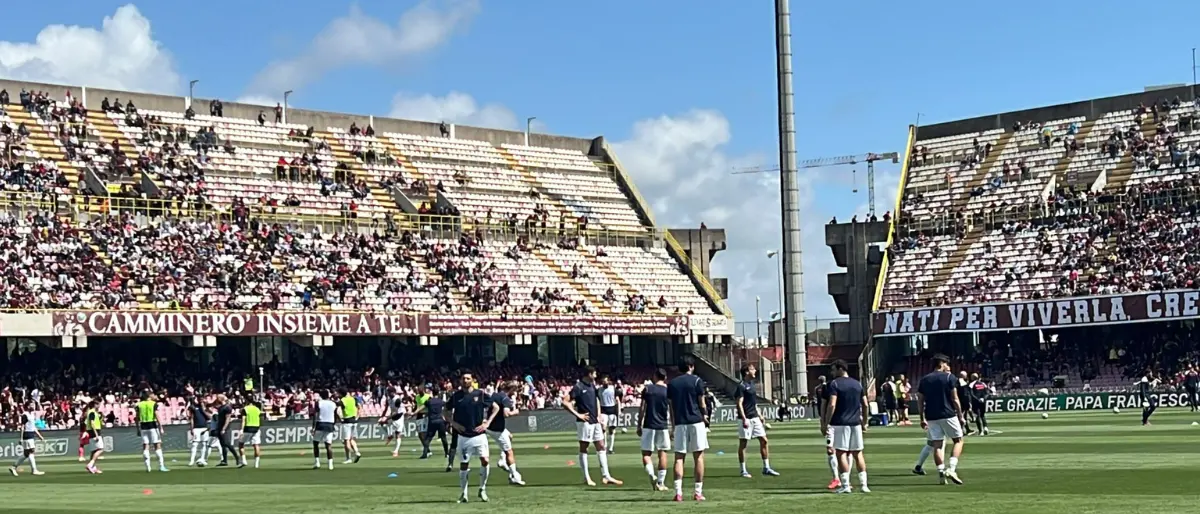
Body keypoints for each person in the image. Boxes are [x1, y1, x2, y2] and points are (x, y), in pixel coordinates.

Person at [563, 366, 623, 486]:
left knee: (601, 446)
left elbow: (596, 400)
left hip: (595, 421)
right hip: (585, 422)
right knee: (584, 447)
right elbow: (565, 401)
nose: (596, 376)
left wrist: (599, 415)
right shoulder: (578, 387)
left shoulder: (592, 386)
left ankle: (606, 476)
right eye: (594, 374)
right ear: (589, 374)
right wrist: (578, 415)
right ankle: (586, 477)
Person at [448, 372, 500, 503]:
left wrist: (487, 423)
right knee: (464, 464)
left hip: (479, 434)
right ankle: (464, 494)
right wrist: (453, 423)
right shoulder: (456, 396)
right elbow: (445, 411)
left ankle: (482, 489)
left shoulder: (480, 394)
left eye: (468, 378)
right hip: (463, 436)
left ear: (472, 380)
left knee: (485, 460)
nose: (465, 380)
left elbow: (496, 408)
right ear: (460, 381)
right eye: (463, 378)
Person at [913, 354, 965, 485]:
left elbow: (920, 399)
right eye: (947, 364)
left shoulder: (925, 379)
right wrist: (960, 415)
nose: (948, 366)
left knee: (937, 445)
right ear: (942, 364)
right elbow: (954, 398)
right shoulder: (949, 377)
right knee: (958, 440)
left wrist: (921, 417)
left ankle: (941, 471)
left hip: (931, 416)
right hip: (947, 414)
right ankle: (952, 469)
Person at [822, 359, 869, 494]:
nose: (832, 372)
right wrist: (864, 422)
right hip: (855, 423)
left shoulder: (834, 384)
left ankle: (845, 485)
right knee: (858, 453)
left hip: (840, 423)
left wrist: (826, 422)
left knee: (841, 453)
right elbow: (865, 404)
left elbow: (832, 404)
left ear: (840, 369)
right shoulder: (857, 384)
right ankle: (864, 485)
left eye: (833, 369)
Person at [667, 356, 708, 502]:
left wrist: (672, 425)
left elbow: (671, 407)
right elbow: (701, 402)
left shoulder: (672, 383)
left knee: (679, 458)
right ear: (691, 366)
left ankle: (678, 493)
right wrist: (705, 415)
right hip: (696, 421)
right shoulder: (697, 381)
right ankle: (698, 492)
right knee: (698, 457)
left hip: (680, 422)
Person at [735, 363, 779, 478]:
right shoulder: (741, 386)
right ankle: (743, 470)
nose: (755, 371)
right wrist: (744, 418)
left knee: (764, 440)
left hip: (754, 417)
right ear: (746, 372)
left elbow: (753, 403)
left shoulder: (752, 385)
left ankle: (766, 467)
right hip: (746, 418)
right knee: (743, 444)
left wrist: (760, 414)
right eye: (752, 369)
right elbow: (739, 404)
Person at [638, 368, 671, 491]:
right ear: (665, 378)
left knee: (646, 454)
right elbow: (671, 409)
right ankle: (661, 482)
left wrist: (639, 424)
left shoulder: (648, 389)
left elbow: (642, 408)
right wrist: (672, 426)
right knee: (662, 453)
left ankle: (652, 475)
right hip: (662, 425)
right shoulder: (668, 391)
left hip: (649, 424)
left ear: (655, 376)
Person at [487, 380, 525, 485]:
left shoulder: (495, 395)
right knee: (509, 451)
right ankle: (515, 476)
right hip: (497, 429)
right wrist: (515, 412)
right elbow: (506, 414)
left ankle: (502, 460)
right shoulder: (506, 399)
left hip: (490, 426)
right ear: (512, 389)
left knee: (510, 436)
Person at [815, 375, 840, 490]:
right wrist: (823, 421)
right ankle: (836, 478)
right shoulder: (823, 389)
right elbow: (822, 404)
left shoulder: (837, 386)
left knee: (845, 451)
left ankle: (845, 479)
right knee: (830, 449)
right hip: (830, 422)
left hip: (842, 422)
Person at [414, 387, 450, 463]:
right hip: (440, 421)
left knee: (428, 438)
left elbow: (421, 407)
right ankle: (447, 453)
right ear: (439, 393)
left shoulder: (429, 401)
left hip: (432, 421)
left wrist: (414, 413)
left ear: (432, 393)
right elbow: (447, 407)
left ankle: (425, 453)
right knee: (443, 438)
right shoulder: (441, 401)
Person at [135, 391, 169, 472]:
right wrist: (161, 427)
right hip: (152, 426)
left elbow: (136, 418)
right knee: (157, 445)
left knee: (145, 446)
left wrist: (137, 429)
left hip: (143, 427)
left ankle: (148, 467)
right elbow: (157, 415)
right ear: (149, 396)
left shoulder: (139, 405)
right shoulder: (153, 404)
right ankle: (161, 466)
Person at [10, 404, 45, 476]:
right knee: (31, 451)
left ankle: (14, 467)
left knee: (26, 454)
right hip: (27, 435)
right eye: (31, 405)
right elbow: (22, 427)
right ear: (28, 406)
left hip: (30, 435)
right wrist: (21, 438)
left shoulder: (32, 415)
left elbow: (33, 427)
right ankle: (34, 470)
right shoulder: (25, 415)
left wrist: (39, 436)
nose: (33, 406)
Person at [312, 391, 340, 470]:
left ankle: (317, 462)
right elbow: (335, 415)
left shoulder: (319, 403)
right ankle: (330, 464)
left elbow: (315, 415)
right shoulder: (333, 404)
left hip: (320, 424)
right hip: (330, 424)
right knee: (328, 445)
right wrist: (333, 424)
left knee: (315, 443)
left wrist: (313, 427)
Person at [381, 386, 407, 457]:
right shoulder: (388, 399)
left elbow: (396, 412)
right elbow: (386, 408)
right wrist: (382, 416)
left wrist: (387, 418)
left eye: (389, 392)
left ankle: (396, 451)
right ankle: (390, 435)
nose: (388, 394)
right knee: (382, 423)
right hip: (393, 415)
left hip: (399, 416)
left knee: (398, 434)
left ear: (393, 392)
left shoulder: (397, 399)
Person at [238, 398, 264, 468]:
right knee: (256, 445)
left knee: (241, 444)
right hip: (256, 428)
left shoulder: (245, 409)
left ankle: (244, 461)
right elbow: (261, 419)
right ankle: (256, 464)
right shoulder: (257, 409)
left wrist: (241, 429)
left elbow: (243, 420)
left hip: (248, 428)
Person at [213, 395, 238, 466]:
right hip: (220, 427)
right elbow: (213, 405)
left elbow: (228, 419)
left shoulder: (227, 407)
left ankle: (237, 458)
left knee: (227, 443)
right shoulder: (221, 407)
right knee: (223, 445)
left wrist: (224, 428)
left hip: (225, 428)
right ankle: (224, 460)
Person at [339, 389, 362, 464]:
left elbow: (338, 411)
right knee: (351, 439)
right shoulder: (353, 399)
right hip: (354, 420)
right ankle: (357, 452)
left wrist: (340, 419)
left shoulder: (342, 400)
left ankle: (348, 458)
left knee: (346, 440)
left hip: (347, 421)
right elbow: (359, 407)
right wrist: (357, 416)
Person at [599, 376, 621, 453]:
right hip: (603, 410)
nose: (604, 383)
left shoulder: (613, 389)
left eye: (605, 381)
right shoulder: (599, 390)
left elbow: (617, 400)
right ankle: (604, 446)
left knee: (611, 430)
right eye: (603, 381)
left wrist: (619, 411)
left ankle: (611, 448)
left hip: (612, 410)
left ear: (608, 381)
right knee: (603, 428)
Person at [186, 396, 210, 467]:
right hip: (196, 428)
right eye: (200, 399)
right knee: (195, 444)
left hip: (204, 428)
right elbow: (192, 419)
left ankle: (202, 459)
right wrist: (191, 428)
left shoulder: (206, 408)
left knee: (204, 444)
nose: (201, 401)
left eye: (202, 400)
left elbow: (209, 417)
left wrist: (203, 410)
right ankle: (191, 461)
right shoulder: (193, 407)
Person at [83, 401, 105, 474]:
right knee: (101, 449)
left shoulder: (91, 412)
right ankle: (90, 464)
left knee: (93, 451)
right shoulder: (92, 412)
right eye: (97, 404)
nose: (98, 405)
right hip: (95, 433)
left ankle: (92, 467)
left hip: (91, 432)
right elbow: (92, 423)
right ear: (94, 405)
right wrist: (96, 435)